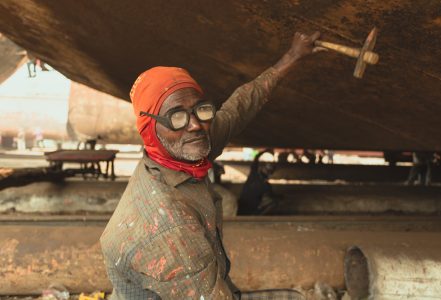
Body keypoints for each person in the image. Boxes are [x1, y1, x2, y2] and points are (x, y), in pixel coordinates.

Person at [101, 31, 325, 299]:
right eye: (177, 116)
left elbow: (238, 108)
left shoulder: (181, 147)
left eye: (201, 109)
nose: (195, 125)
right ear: (151, 130)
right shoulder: (170, 226)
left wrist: (292, 56)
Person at [238, 149, 277, 215]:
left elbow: (271, 197)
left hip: (250, 209)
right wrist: (265, 151)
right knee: (273, 202)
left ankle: (256, 216)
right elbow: (256, 159)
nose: (266, 170)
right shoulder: (254, 175)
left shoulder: (265, 185)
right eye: (266, 168)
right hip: (244, 206)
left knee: (273, 202)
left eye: (268, 170)